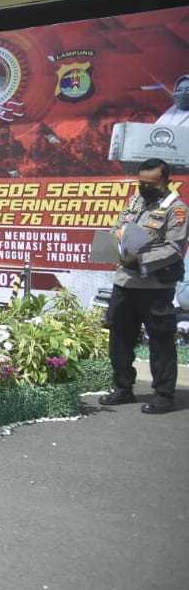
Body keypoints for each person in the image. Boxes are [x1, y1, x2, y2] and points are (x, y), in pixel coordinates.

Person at [100, 158, 188, 414]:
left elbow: (174, 248)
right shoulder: (135, 202)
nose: (144, 188)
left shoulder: (177, 209)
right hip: (125, 282)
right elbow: (118, 228)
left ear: (166, 181)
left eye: (151, 184)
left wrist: (139, 259)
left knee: (160, 341)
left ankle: (163, 395)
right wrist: (114, 243)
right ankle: (123, 388)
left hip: (155, 287)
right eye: (141, 182)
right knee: (120, 339)